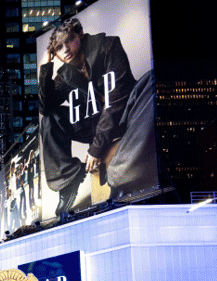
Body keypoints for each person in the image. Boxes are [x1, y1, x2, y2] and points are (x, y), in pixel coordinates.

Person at [37, 17, 157, 213]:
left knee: (151, 80)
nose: (65, 49)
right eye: (58, 47)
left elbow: (115, 101)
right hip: (93, 123)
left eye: (69, 40)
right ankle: (67, 180)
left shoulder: (108, 46)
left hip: (126, 114)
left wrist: (96, 149)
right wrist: (46, 67)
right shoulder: (65, 74)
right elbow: (45, 108)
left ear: (80, 35)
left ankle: (120, 175)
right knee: (51, 118)